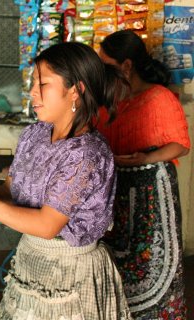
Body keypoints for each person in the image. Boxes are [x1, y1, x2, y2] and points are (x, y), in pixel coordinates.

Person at [0, 42, 132, 319]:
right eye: (32, 82)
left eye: (43, 83)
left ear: (75, 90)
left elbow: (47, 225)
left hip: (70, 273)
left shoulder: (87, 153)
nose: (32, 92)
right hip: (31, 258)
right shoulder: (35, 135)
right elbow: (11, 188)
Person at [97, 30, 190, 319]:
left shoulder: (159, 97)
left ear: (126, 66)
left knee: (152, 268)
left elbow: (181, 145)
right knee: (116, 265)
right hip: (117, 193)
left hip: (154, 200)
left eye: (107, 65)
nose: (102, 72)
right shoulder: (110, 100)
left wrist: (147, 157)